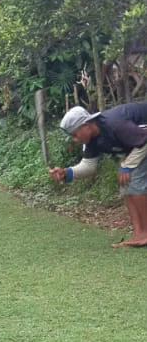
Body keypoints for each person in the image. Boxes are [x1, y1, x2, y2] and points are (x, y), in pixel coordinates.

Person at [49, 103, 147, 248]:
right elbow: (89, 166)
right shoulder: (92, 140)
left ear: (86, 125)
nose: (75, 139)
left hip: (144, 141)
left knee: (135, 179)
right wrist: (66, 173)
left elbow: (144, 140)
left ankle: (145, 233)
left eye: (75, 134)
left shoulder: (115, 123)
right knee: (125, 183)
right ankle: (138, 233)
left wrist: (126, 166)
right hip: (139, 145)